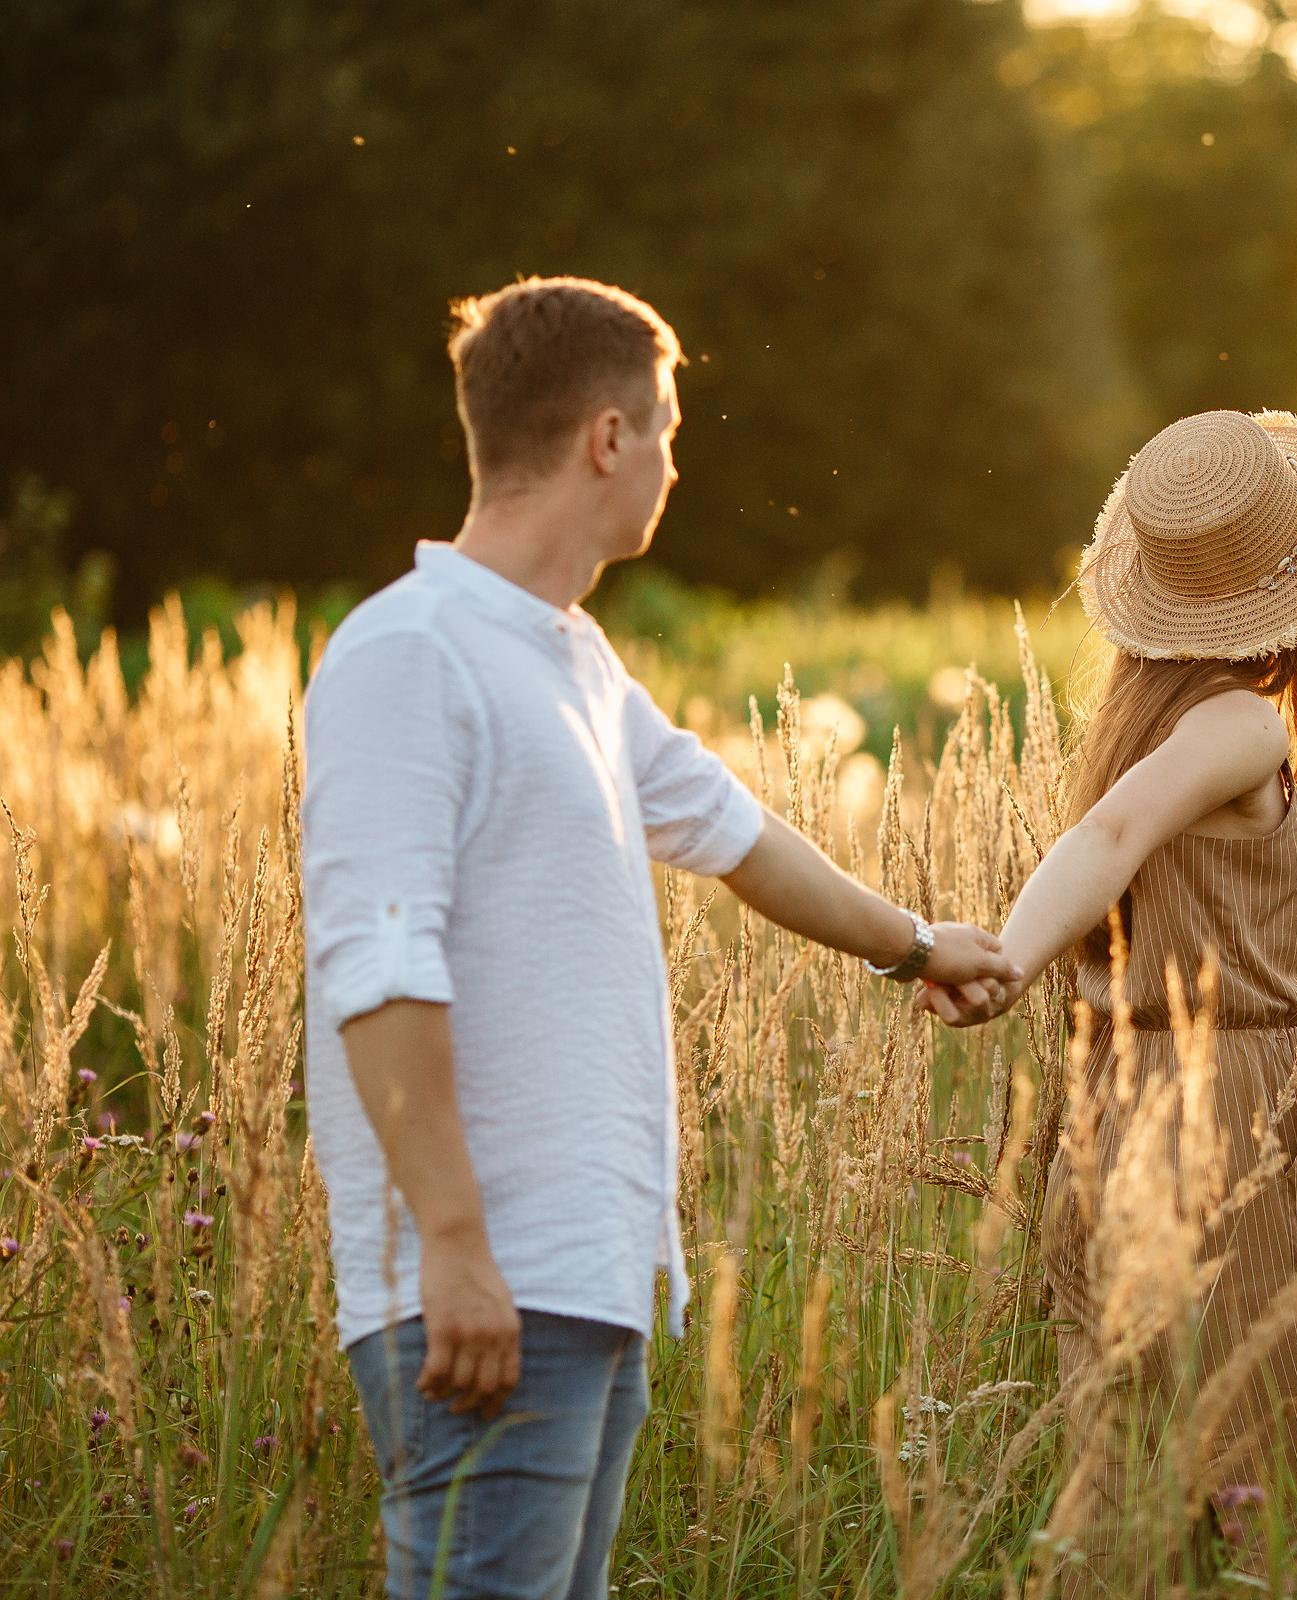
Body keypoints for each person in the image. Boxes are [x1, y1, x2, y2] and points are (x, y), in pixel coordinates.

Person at [299, 277, 1018, 1600]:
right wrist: (453, 1244)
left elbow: (735, 834)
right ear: (607, 440)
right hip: (489, 1286)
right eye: (670, 428)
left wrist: (919, 946)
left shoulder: (570, 661)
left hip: (590, 1277)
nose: (678, 461)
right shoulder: (411, 654)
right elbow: (379, 966)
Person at [924, 408, 1297, 1588]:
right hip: (1222, 1101)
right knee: (1259, 1463)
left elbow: (1109, 826)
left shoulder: (1153, 717)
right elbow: (1110, 833)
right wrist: (1011, 957)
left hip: (1125, 1094)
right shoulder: (1235, 723)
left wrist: (1020, 960)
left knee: (1121, 1454)